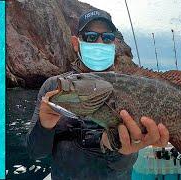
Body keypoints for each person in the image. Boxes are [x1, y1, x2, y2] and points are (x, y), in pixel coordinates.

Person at [26, 9, 169, 180]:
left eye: (107, 38)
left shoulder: (129, 87)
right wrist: (45, 126)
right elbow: (36, 153)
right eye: (91, 37)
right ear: (76, 43)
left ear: (113, 44)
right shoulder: (53, 87)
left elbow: (122, 166)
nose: (100, 43)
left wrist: (119, 148)